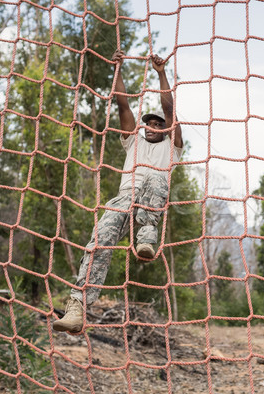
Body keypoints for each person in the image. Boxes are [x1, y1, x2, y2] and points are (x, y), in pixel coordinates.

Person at [53, 50, 183, 333]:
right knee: (99, 239)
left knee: (156, 180)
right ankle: (77, 306)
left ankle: (147, 237)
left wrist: (161, 73)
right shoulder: (132, 143)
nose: (151, 126)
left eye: (158, 124)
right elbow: (123, 105)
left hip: (153, 198)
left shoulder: (172, 149)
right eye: (148, 123)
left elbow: (170, 110)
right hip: (126, 197)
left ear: (166, 129)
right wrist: (118, 69)